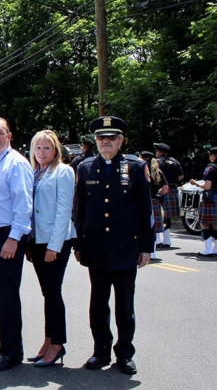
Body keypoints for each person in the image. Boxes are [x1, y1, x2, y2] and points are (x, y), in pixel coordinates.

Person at [74, 116, 153, 375]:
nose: (106, 142)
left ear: (121, 141)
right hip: (96, 248)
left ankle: (125, 353)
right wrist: (79, 244)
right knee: (98, 302)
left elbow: (146, 210)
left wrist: (146, 247)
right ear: (95, 141)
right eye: (101, 138)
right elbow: (80, 210)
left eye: (111, 138)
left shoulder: (136, 167)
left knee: (124, 306)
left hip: (125, 248)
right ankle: (100, 350)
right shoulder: (85, 168)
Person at [0, 117, 33, 372]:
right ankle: (5, 344)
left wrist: (13, 239)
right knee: (0, 295)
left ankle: (12, 353)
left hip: (8, 237)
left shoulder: (16, 163)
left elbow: (23, 205)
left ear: (9, 136)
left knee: (8, 296)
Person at [26, 130, 76, 368]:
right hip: (37, 241)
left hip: (55, 242)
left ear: (55, 150)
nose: (42, 152)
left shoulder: (63, 171)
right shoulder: (34, 171)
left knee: (54, 294)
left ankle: (57, 344)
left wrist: (54, 246)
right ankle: (48, 341)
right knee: (48, 294)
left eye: (47, 148)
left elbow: (63, 211)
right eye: (38, 148)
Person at [140, 151, 168, 261]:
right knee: (153, 228)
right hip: (154, 201)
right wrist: (157, 194)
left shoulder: (140, 170)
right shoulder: (157, 172)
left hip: (142, 201)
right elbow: (165, 188)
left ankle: (143, 251)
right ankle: (153, 253)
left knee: (143, 227)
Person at [155, 143, 184, 248]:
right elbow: (181, 176)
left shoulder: (157, 162)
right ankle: (167, 240)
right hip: (172, 189)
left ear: (160, 152)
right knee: (167, 217)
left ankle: (158, 240)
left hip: (161, 189)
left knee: (158, 216)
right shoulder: (175, 162)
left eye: (156, 151)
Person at [189, 147, 217, 256]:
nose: (209, 157)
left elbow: (207, 186)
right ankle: (216, 249)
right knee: (216, 224)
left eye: (210, 155)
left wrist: (196, 183)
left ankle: (208, 249)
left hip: (212, 197)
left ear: (214, 155)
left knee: (205, 223)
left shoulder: (210, 167)